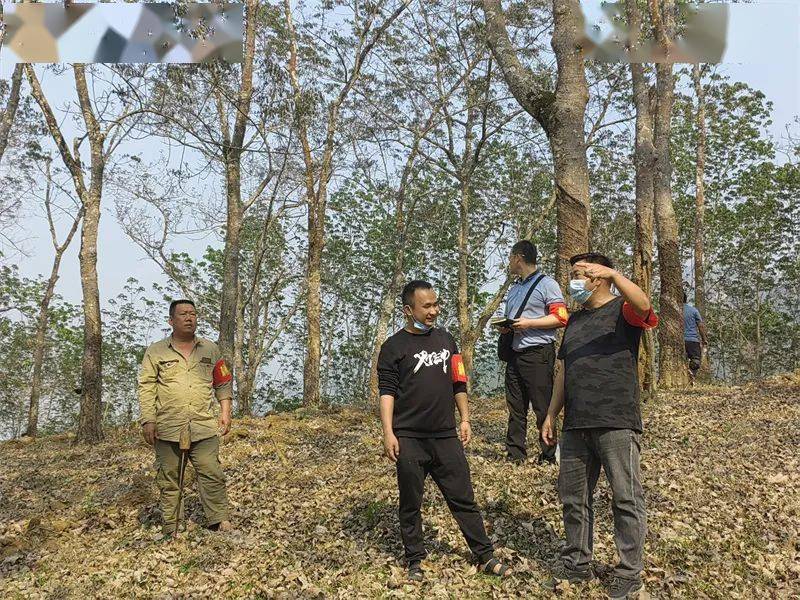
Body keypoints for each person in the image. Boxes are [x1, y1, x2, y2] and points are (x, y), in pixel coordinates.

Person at [540, 253, 658, 600]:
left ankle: (628, 571)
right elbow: (564, 370)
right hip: (576, 423)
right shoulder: (574, 321)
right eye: (571, 274)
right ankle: (577, 562)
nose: (572, 281)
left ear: (598, 278)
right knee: (574, 498)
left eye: (579, 274)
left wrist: (615, 274)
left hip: (616, 420)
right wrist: (551, 413)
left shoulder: (623, 311)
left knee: (625, 497)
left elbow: (645, 304)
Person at [377, 280, 512, 582]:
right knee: (411, 503)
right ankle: (415, 560)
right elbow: (386, 392)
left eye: (436, 304)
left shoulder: (447, 341)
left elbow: (458, 382)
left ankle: (485, 556)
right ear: (408, 310)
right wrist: (388, 433)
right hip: (409, 438)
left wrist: (464, 418)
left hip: (445, 436)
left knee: (463, 498)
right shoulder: (393, 347)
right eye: (427, 306)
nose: (434, 311)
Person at [138, 299, 234, 537]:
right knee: (169, 478)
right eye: (183, 314)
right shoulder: (156, 351)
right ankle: (172, 524)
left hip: (203, 425)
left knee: (212, 472)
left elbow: (223, 382)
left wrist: (225, 412)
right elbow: (146, 386)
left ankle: (219, 520)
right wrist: (148, 420)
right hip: (168, 426)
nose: (189, 318)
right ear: (171, 321)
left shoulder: (210, 349)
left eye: (193, 313)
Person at [495, 241, 567, 464]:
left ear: (518, 257)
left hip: (537, 353)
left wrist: (529, 323)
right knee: (515, 407)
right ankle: (515, 454)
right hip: (515, 353)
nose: (509, 262)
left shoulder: (548, 285)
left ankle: (548, 454)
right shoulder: (515, 288)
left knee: (542, 406)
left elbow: (561, 317)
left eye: (510, 257)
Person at [683, 291, 708, 384]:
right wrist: (704, 339)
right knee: (696, 360)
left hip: (678, 342)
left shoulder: (674, 311)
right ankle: (692, 375)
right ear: (686, 299)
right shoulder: (693, 310)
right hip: (692, 340)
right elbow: (700, 326)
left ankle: (687, 376)